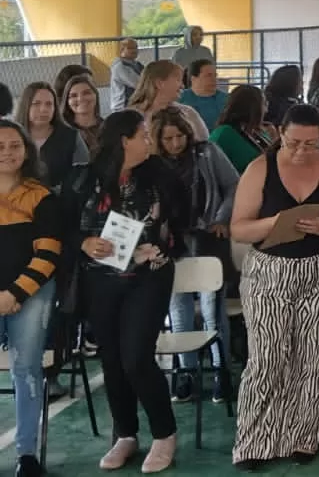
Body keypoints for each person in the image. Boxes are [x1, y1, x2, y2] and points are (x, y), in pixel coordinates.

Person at [229, 104, 319, 469]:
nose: (302, 151)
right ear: (278, 135)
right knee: (267, 358)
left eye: (311, 144)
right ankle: (255, 440)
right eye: (293, 143)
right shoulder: (259, 169)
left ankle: (305, 436)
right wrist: (273, 222)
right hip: (269, 272)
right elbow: (239, 228)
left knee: (315, 356)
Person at [79, 109, 190, 473]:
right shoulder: (90, 177)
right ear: (123, 139)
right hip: (102, 278)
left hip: (150, 274)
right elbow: (68, 225)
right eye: (143, 134)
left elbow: (185, 213)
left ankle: (164, 433)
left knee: (136, 357)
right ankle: (125, 434)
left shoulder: (160, 174)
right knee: (111, 360)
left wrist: (164, 245)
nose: (149, 140)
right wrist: (86, 242)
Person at [151, 107, 238, 405]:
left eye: (179, 136)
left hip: (209, 238)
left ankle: (220, 370)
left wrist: (222, 217)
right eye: (168, 139)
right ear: (159, 141)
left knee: (214, 309)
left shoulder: (208, 153)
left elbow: (233, 185)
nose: (176, 143)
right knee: (179, 307)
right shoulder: (154, 165)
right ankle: (186, 372)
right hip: (173, 242)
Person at [0, 119, 64, 477]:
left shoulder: (42, 197)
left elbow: (49, 253)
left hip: (33, 292)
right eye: (0, 146)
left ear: (26, 150)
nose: (7, 152)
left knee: (25, 368)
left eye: (14, 145)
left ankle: (26, 454)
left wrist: (13, 294)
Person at [17, 83, 89, 190]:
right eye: (36, 103)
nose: (43, 109)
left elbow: (84, 175)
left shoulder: (71, 137)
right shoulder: (9, 135)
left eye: (49, 104)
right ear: (26, 105)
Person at [127, 60, 209, 140]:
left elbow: (205, 145)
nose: (182, 86)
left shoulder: (188, 112)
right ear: (159, 83)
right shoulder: (130, 116)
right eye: (178, 80)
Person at [210, 85, 274, 174]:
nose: (266, 110)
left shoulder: (258, 131)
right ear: (252, 108)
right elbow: (211, 169)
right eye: (264, 104)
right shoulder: (224, 134)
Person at [62, 73, 105, 155]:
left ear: (95, 95)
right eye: (73, 95)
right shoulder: (62, 132)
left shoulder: (109, 127)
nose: (80, 99)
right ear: (67, 102)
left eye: (86, 93)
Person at [178, 59, 227, 130]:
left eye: (215, 75)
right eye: (208, 76)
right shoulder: (179, 99)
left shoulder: (226, 100)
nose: (214, 79)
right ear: (193, 79)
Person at [110, 38, 144, 111]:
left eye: (136, 47)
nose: (134, 50)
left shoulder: (138, 64)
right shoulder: (120, 66)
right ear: (122, 50)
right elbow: (139, 84)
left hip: (135, 106)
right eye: (130, 48)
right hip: (123, 108)